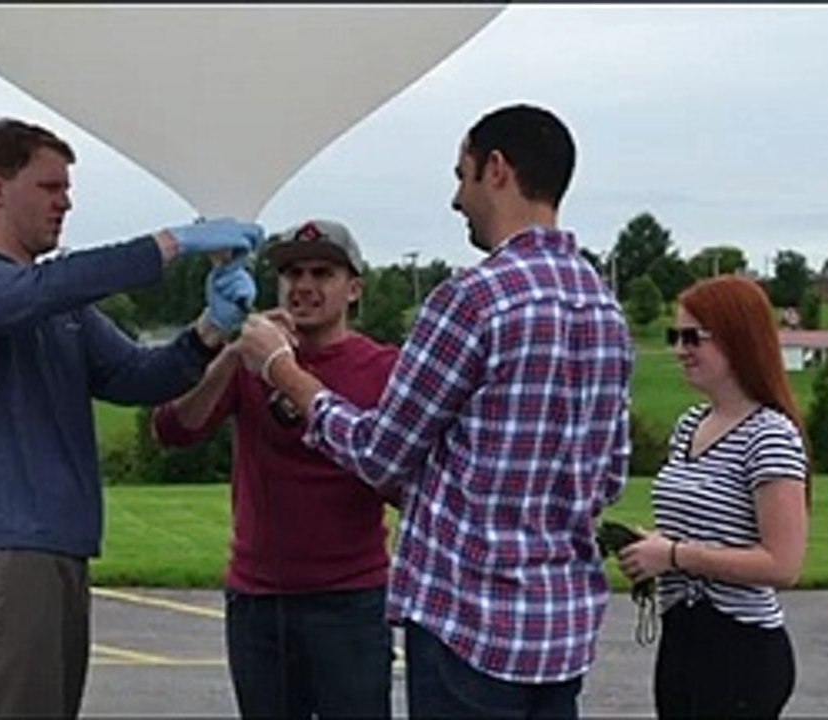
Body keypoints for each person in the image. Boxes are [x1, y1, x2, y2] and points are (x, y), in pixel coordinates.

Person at [234, 103, 634, 718]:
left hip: (469, 631)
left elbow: (379, 450)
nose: (456, 198)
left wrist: (281, 370)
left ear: (496, 170)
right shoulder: (604, 309)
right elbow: (607, 476)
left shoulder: (474, 299)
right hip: (561, 635)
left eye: (462, 174)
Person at [0, 116, 265, 719]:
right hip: (2, 549)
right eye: (50, 188)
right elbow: (38, 292)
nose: (66, 202)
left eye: (67, 190)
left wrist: (211, 330)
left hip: (62, 548)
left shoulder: (65, 313)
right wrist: (172, 244)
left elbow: (139, 377)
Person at [151, 218, 402, 719]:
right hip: (260, 598)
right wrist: (231, 355)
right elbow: (174, 429)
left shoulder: (384, 367)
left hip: (349, 598)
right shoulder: (250, 359)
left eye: (322, 274)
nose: (304, 286)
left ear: (353, 288)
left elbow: (399, 476)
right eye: (292, 274)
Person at [614, 274, 812, 719]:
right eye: (675, 336)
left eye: (692, 338)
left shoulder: (770, 436)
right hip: (683, 640)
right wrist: (651, 548)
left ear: (737, 340)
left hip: (739, 649)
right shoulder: (689, 426)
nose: (680, 349)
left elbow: (783, 565)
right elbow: (699, 531)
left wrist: (675, 555)